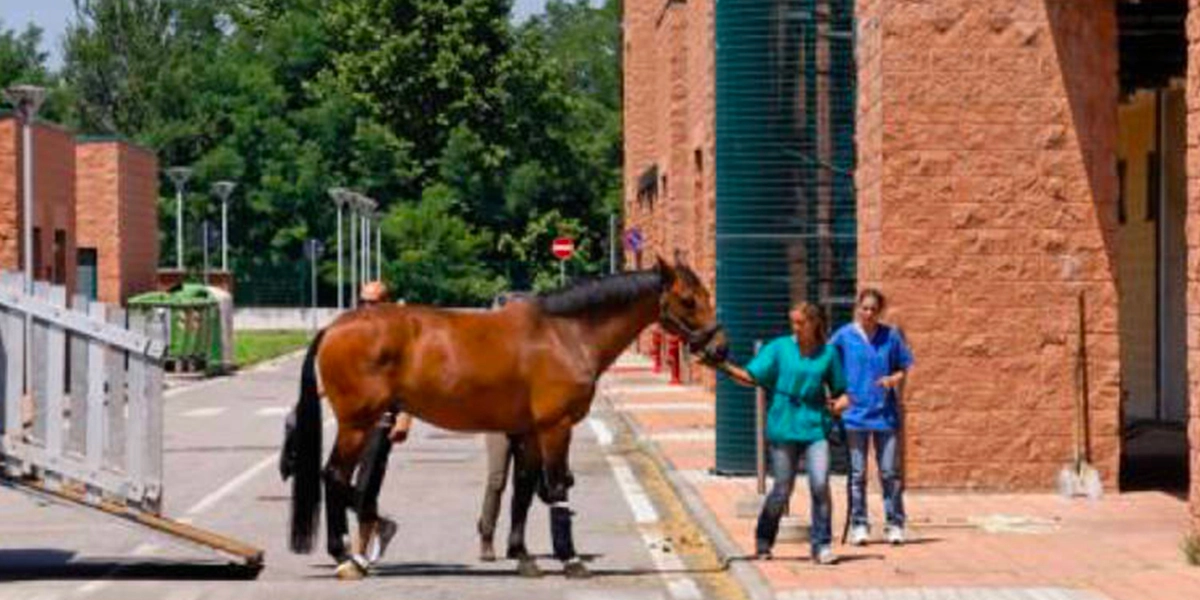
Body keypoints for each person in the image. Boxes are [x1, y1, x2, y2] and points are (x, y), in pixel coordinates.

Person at [721, 302, 849, 565]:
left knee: (820, 484)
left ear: (814, 323)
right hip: (783, 427)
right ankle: (764, 541)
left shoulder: (829, 353)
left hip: (816, 428)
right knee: (782, 489)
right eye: (793, 322)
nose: (795, 328)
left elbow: (842, 392)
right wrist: (721, 366)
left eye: (800, 323)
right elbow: (750, 377)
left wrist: (841, 403)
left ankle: (822, 545)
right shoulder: (779, 348)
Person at [830, 288, 913, 546]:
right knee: (858, 473)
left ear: (880, 311)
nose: (868, 313)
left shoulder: (891, 336)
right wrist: (835, 395)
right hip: (855, 415)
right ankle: (859, 523)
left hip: (884, 415)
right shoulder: (844, 336)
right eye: (864, 308)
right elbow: (827, 363)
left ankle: (895, 523)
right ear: (857, 308)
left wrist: (892, 379)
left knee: (889, 471)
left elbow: (904, 367)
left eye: (873, 310)